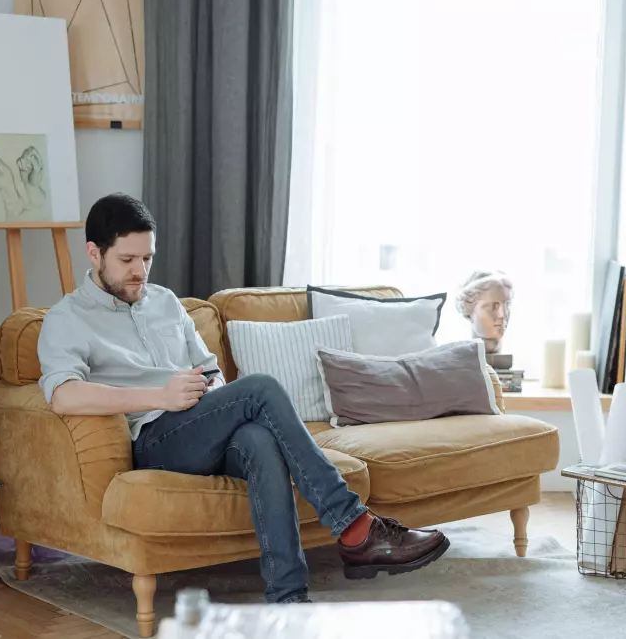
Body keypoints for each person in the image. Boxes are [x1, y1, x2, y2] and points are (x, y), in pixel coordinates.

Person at [37, 193, 449, 604]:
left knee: (260, 441)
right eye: (127, 260)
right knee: (261, 387)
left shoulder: (165, 302)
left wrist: (210, 392)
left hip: (201, 425)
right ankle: (355, 527)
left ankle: (287, 600)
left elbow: (210, 369)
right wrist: (159, 394)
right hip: (153, 441)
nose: (140, 271)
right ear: (94, 253)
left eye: (147, 258)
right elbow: (62, 395)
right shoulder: (67, 318)